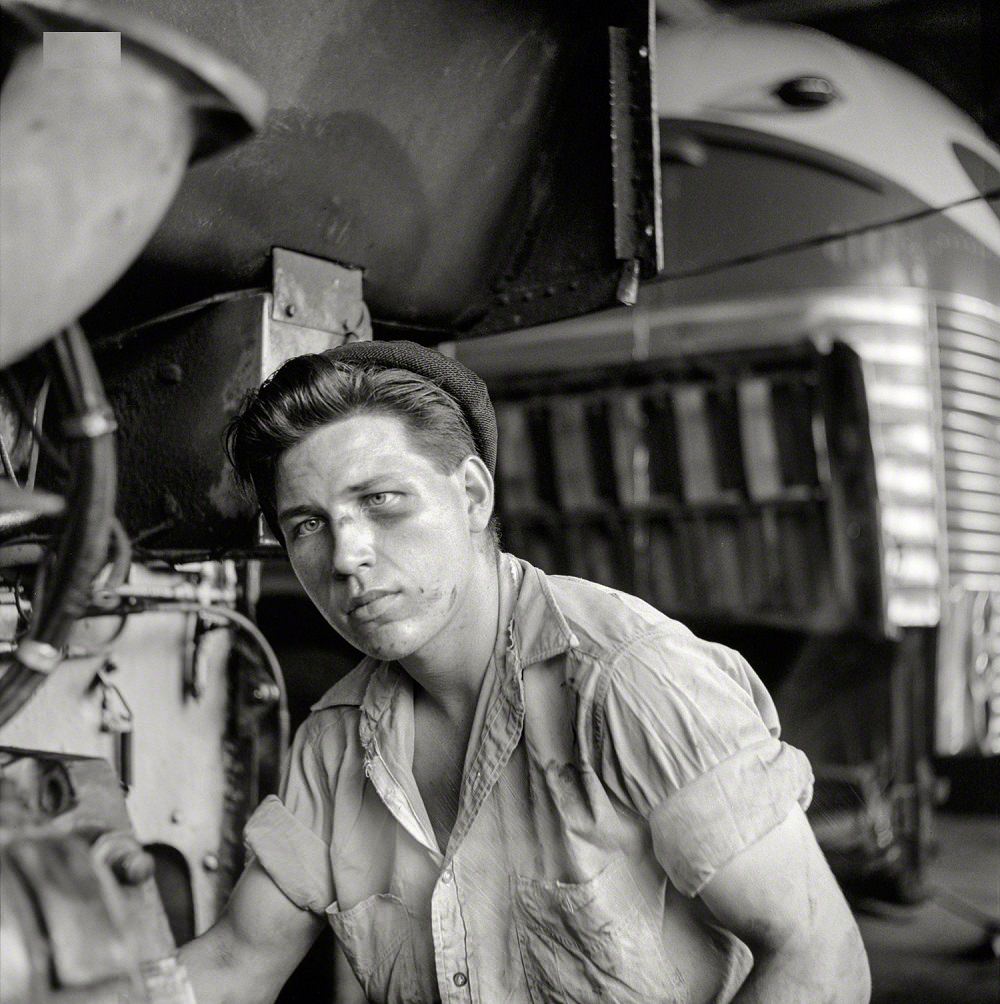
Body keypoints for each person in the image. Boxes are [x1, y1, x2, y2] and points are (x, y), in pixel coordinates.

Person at [180, 340, 870, 1004]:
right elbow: (237, 963)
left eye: (382, 501)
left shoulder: (628, 681)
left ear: (473, 496)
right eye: (307, 524)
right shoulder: (333, 743)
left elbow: (819, 960)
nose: (346, 554)